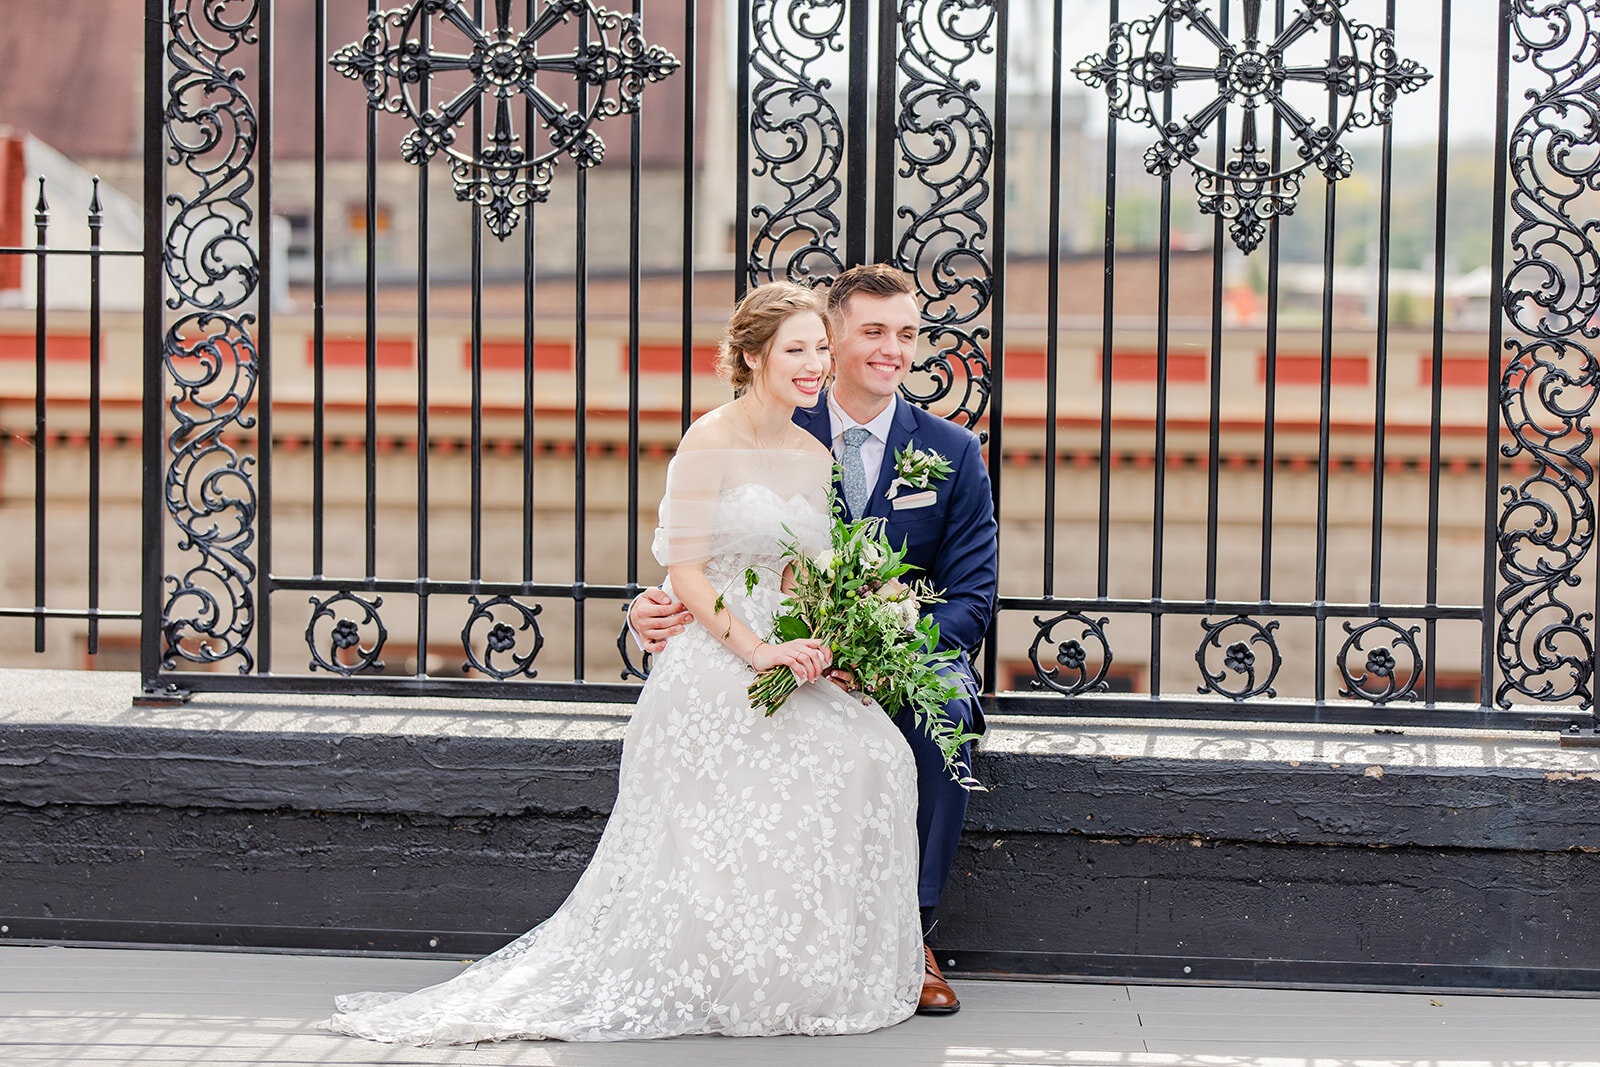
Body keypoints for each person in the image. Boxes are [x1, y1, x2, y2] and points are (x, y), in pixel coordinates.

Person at [327, 282, 923, 1045]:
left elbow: (794, 570)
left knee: (875, 752)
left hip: (783, 646)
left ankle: (794, 971)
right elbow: (689, 573)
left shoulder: (813, 455)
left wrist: (840, 626)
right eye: (796, 349)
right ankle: (712, 969)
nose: (816, 364)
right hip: (717, 653)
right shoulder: (708, 440)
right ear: (751, 356)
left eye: (819, 348)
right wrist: (759, 649)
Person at [630, 263, 999, 1015]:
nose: (893, 350)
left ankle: (914, 932)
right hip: (783, 645)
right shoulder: (773, 421)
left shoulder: (953, 450)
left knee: (946, 715)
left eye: (906, 334)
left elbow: (971, 598)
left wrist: (878, 652)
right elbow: (710, 557)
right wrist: (646, 611)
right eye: (873, 332)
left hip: (902, 647)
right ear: (828, 339)